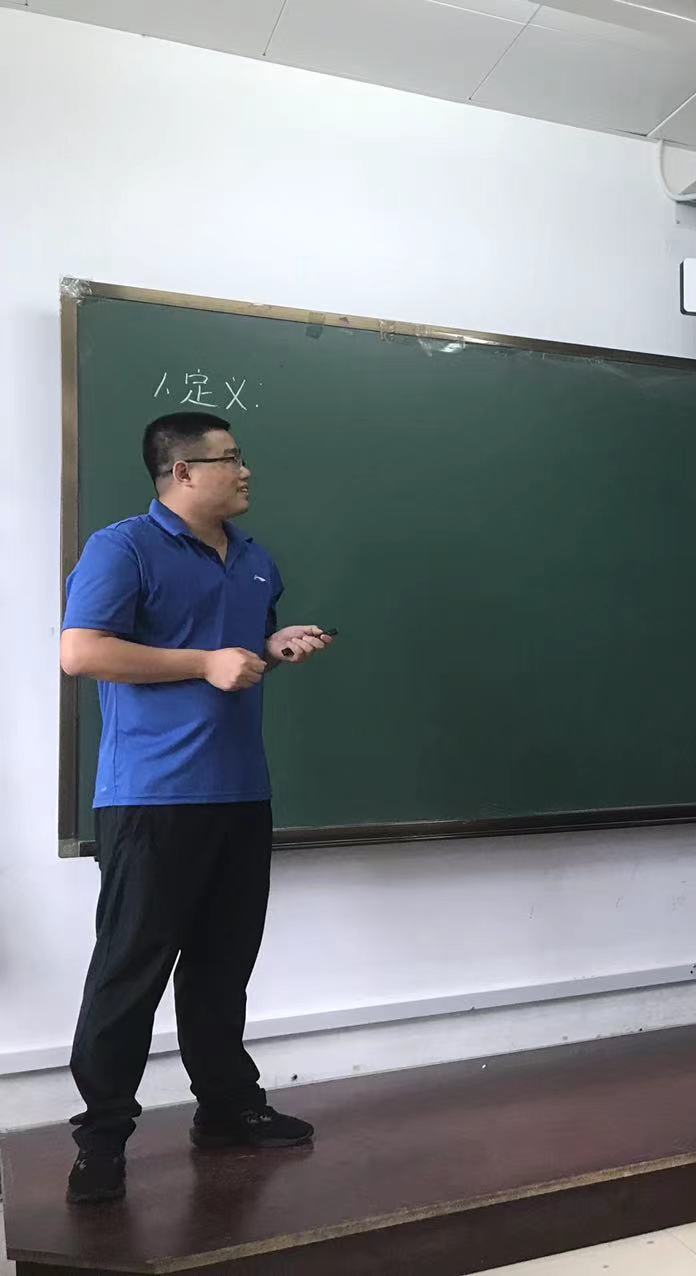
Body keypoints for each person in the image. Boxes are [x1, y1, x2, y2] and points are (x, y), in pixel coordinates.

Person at [58, 411, 335, 1204]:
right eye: (229, 459)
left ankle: (227, 1107)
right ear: (181, 472)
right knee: (130, 969)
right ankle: (102, 1138)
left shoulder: (254, 560)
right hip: (152, 798)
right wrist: (202, 663)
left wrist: (272, 649)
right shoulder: (123, 548)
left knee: (222, 965)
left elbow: (235, 657)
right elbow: (82, 651)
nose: (245, 471)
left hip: (241, 792)